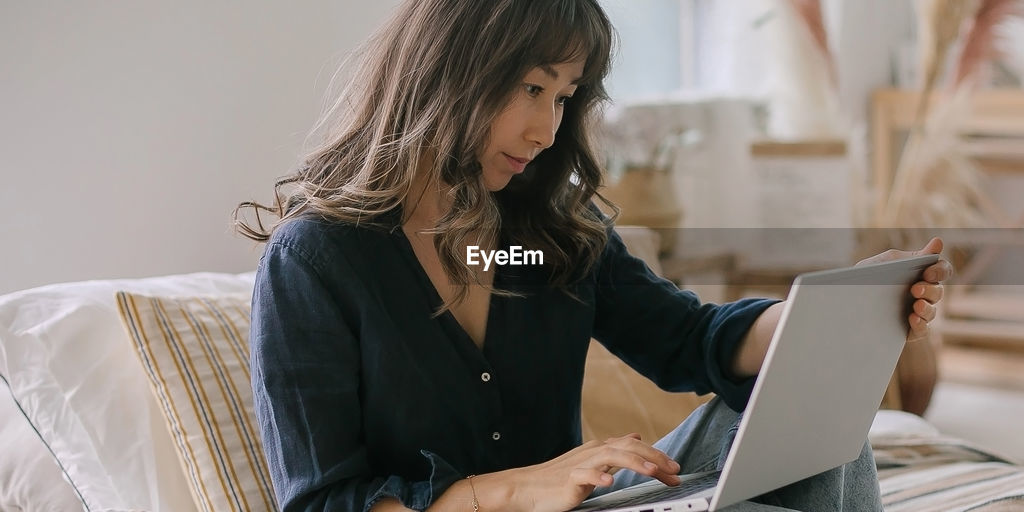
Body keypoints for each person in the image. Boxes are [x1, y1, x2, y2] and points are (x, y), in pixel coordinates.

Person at [236, 1, 952, 511]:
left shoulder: (542, 239)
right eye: (531, 88)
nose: (546, 128)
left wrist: (827, 314)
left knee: (820, 428)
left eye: (564, 98)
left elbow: (691, 340)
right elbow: (327, 501)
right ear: (450, 73)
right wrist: (525, 487)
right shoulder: (321, 262)